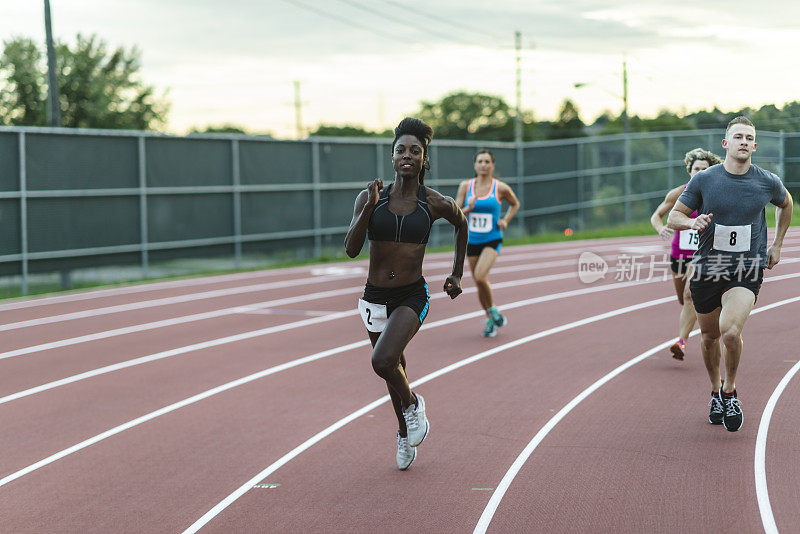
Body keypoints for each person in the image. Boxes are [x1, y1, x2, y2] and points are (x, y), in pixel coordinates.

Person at [344, 117, 467, 469]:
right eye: (401, 150)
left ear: (424, 159)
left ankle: (414, 406)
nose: (407, 155)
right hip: (374, 298)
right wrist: (367, 209)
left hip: (412, 296)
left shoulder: (434, 202)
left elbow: (461, 225)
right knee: (393, 368)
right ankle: (404, 434)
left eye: (415, 150)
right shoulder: (372, 198)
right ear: (392, 157)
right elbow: (352, 249)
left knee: (382, 360)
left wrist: (456, 274)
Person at [668, 116, 793, 432]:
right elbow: (674, 215)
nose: (744, 142)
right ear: (725, 143)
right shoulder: (705, 180)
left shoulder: (766, 181)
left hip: (746, 270)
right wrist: (690, 223)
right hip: (708, 270)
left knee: (729, 331)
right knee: (709, 337)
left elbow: (786, 203)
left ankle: (730, 390)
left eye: (749, 138)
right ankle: (715, 391)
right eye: (738, 136)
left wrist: (777, 244)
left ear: (755, 144)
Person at [650, 148, 722, 360]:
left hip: (702, 254)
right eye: (696, 169)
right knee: (683, 299)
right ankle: (702, 317)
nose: (700, 172)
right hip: (679, 254)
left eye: (704, 169)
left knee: (690, 295)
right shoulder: (678, 194)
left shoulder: (715, 194)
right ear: (689, 171)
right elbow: (657, 215)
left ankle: (681, 342)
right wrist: (660, 228)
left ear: (710, 171)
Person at [455, 149, 520, 337]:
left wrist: (506, 220)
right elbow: (456, 213)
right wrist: (469, 207)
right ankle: (492, 320)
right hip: (471, 240)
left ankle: (492, 311)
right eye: (480, 162)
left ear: (492, 165)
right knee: (478, 282)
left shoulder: (500, 188)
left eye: (487, 162)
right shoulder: (465, 186)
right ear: (475, 165)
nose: (483, 165)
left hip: (492, 238)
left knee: (481, 276)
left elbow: (515, 204)